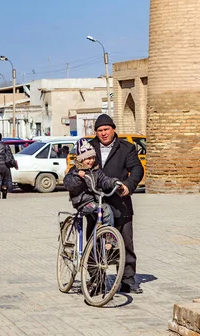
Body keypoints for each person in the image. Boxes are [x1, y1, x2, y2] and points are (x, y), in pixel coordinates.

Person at [90, 114, 144, 294]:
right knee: (95, 242)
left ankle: (128, 280)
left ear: (113, 129)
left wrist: (129, 185)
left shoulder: (126, 148)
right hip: (96, 201)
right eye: (99, 130)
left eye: (106, 129)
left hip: (119, 200)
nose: (103, 133)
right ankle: (96, 279)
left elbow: (136, 168)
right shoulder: (89, 147)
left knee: (125, 241)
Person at [63, 138, 128, 228]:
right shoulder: (75, 171)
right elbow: (68, 184)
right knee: (103, 210)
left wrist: (114, 182)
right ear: (81, 159)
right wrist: (78, 177)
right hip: (82, 202)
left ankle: (106, 235)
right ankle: (104, 233)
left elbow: (104, 180)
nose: (92, 160)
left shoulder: (96, 170)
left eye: (93, 158)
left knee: (107, 210)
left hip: (96, 200)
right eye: (88, 158)